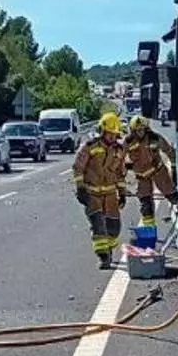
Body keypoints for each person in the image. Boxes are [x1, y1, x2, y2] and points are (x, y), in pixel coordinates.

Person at [73, 112, 128, 269]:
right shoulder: (90, 146)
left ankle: (108, 249)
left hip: (110, 196)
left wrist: (122, 193)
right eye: (109, 133)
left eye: (114, 134)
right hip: (92, 194)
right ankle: (103, 257)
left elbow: (120, 173)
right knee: (98, 226)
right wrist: (80, 188)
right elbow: (78, 167)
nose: (112, 137)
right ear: (102, 131)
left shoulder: (119, 150)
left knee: (114, 228)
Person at [125, 114, 178, 227]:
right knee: (145, 204)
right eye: (137, 130)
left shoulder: (155, 138)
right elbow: (119, 157)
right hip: (142, 177)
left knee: (172, 195)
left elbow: (169, 151)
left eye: (141, 129)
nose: (139, 132)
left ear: (146, 128)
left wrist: (174, 168)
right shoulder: (128, 142)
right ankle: (149, 229)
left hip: (159, 172)